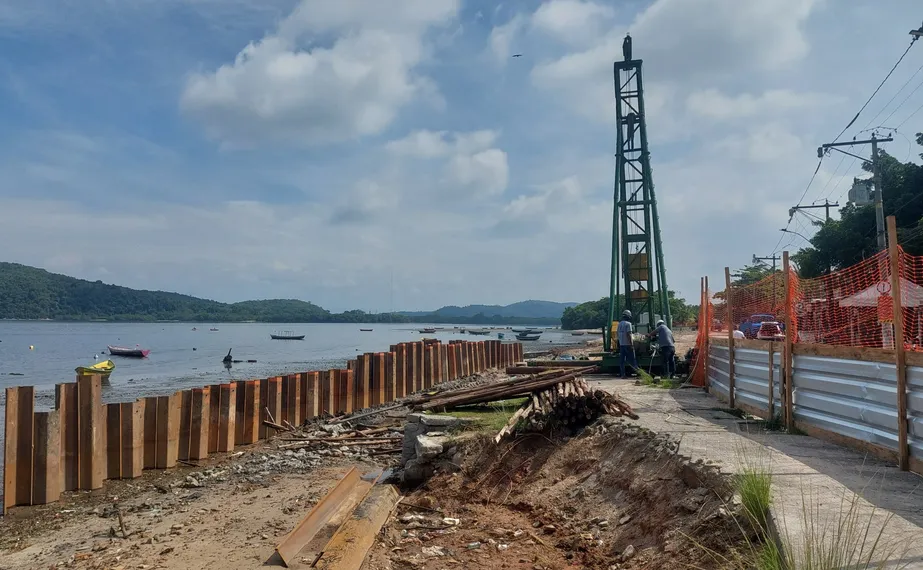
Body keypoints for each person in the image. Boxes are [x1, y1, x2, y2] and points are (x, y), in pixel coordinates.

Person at [617, 310, 638, 379]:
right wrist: (631, 344)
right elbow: (629, 334)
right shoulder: (628, 324)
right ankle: (638, 372)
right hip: (627, 344)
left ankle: (623, 374)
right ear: (628, 316)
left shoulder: (619, 324)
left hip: (622, 345)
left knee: (622, 361)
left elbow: (618, 334)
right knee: (633, 359)